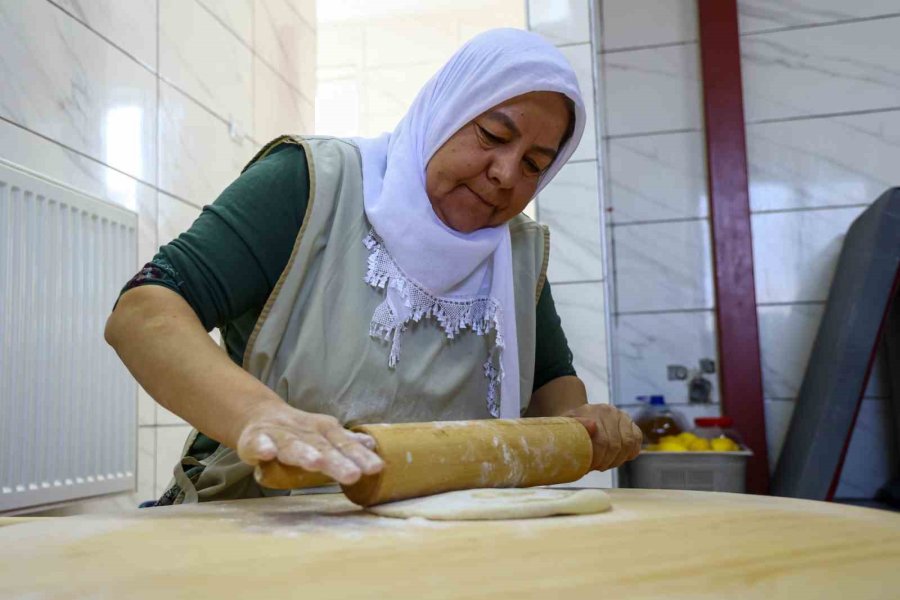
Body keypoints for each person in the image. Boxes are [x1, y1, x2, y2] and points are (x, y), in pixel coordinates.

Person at [105, 28, 642, 505]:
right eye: (493, 136)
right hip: (259, 517)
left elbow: (551, 385)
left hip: (449, 533)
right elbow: (144, 311)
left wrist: (583, 426)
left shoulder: (516, 251)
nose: (506, 174)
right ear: (446, 110)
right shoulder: (312, 184)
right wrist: (261, 418)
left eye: (533, 165)